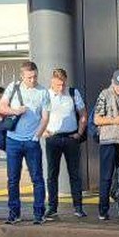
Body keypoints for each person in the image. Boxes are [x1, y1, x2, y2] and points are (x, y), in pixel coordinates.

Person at [0, 61, 50, 225]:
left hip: (31, 141)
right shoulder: (13, 87)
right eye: (29, 77)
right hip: (13, 139)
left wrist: (37, 136)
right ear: (22, 76)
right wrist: (16, 110)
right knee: (13, 179)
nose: (33, 80)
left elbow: (45, 117)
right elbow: (1, 108)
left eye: (35, 76)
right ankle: (14, 213)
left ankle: (38, 213)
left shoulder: (43, 92)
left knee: (37, 178)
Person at [43, 68, 87, 220]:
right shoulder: (46, 95)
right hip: (53, 138)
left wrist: (79, 133)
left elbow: (83, 114)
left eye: (62, 84)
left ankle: (78, 207)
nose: (60, 88)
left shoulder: (73, 93)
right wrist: (43, 132)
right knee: (52, 174)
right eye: (57, 85)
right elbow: (37, 115)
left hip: (71, 138)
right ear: (52, 82)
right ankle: (52, 207)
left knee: (75, 174)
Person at [94, 70, 119, 221]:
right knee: (106, 177)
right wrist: (115, 120)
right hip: (108, 141)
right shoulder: (104, 94)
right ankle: (103, 210)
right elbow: (97, 119)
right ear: (112, 82)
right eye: (117, 85)